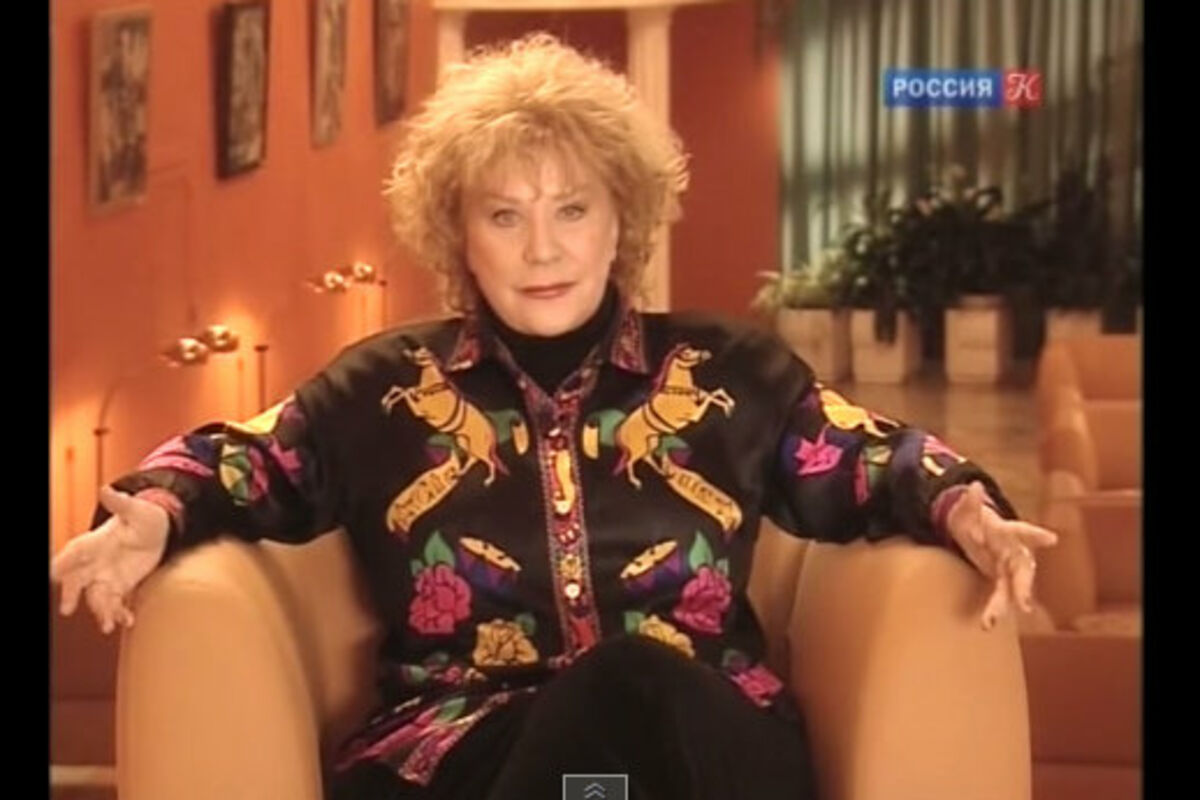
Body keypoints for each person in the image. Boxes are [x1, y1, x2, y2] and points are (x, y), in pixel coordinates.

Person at [50, 33, 1058, 800]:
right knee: (600, 727)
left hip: (702, 744)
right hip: (461, 754)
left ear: (623, 219)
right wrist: (152, 511)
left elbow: (867, 457)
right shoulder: (379, 389)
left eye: (572, 209)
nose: (543, 249)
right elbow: (243, 461)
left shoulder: (733, 372)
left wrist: (966, 507)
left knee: (635, 685)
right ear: (458, 235)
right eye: (505, 215)